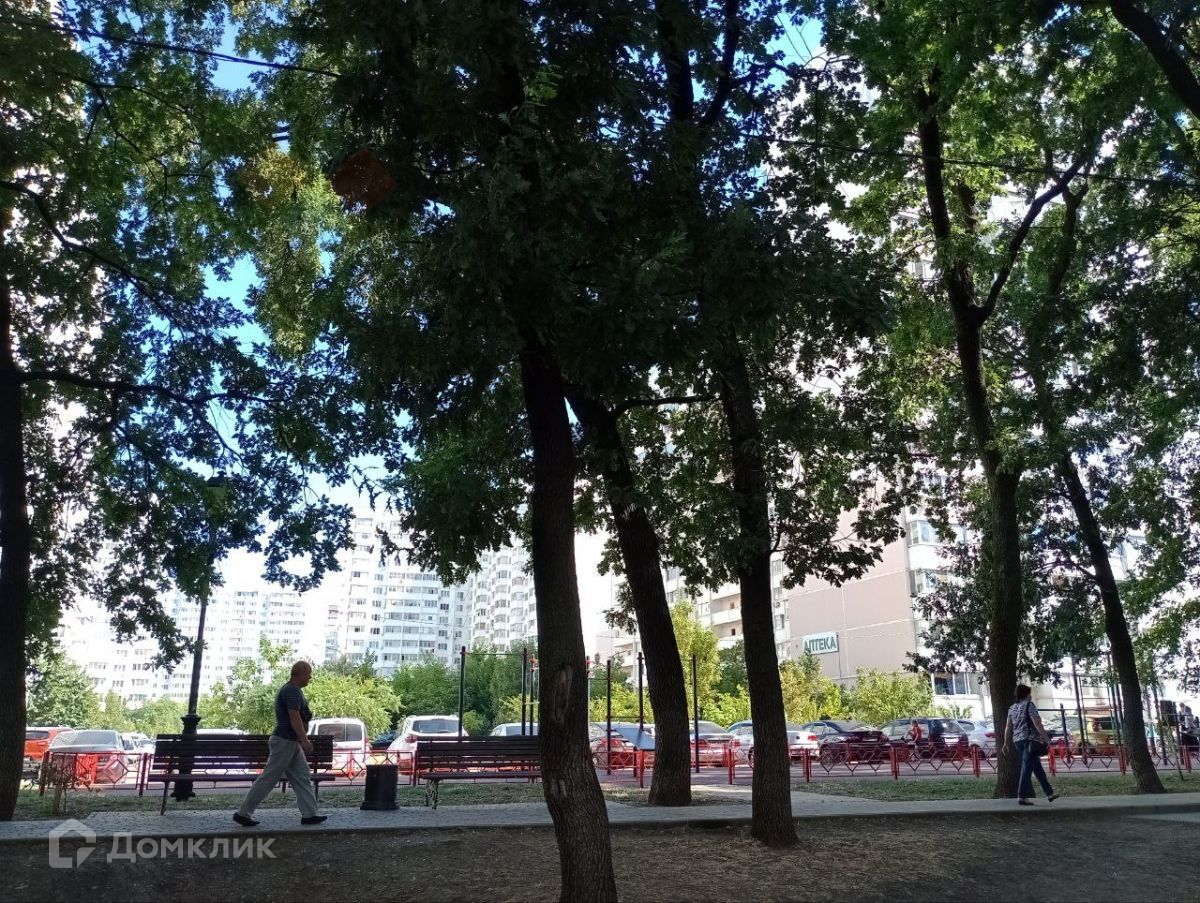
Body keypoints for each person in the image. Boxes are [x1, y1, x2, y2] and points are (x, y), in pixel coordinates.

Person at [233, 661, 327, 826]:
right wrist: (305, 740)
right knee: (269, 778)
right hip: (285, 741)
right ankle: (243, 813)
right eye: (308, 674)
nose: (310, 677)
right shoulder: (291, 690)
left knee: (302, 776)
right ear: (299, 673)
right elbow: (294, 716)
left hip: (291, 742)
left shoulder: (294, 690)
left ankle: (310, 815)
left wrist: (300, 739)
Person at [1003, 684, 1059, 806]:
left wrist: (1006, 743)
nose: (1031, 696)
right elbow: (1037, 724)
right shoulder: (1029, 705)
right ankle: (1022, 796)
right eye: (1029, 693)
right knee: (1026, 769)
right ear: (1026, 695)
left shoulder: (1012, 708)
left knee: (1037, 768)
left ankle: (1049, 793)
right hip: (1030, 741)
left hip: (1017, 741)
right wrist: (1047, 740)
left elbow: (1008, 727)